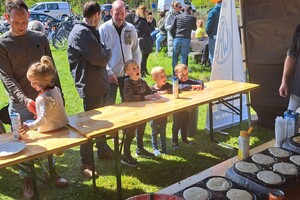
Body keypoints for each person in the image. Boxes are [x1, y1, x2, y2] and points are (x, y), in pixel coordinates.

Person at [0, 0, 67, 199]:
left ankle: (51, 171)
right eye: (16, 22)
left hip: (45, 98)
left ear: (29, 17)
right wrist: (26, 99)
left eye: (24, 21)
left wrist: (59, 95)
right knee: (21, 140)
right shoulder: (3, 44)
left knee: (48, 136)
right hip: (20, 103)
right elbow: (7, 78)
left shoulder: (41, 38)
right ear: (7, 18)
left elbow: (51, 70)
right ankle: (27, 178)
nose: (21, 26)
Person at [67, 1, 112, 179]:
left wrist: (104, 52)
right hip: (90, 85)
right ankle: (85, 162)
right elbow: (100, 58)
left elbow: (100, 55)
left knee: (99, 121)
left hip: (98, 83)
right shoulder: (82, 32)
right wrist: (107, 51)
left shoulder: (88, 31)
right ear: (97, 15)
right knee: (88, 126)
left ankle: (101, 149)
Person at [99, 0, 140, 105]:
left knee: (131, 104)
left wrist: (136, 70)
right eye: (117, 14)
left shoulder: (131, 28)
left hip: (128, 75)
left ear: (126, 13)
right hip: (111, 76)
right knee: (109, 106)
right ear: (111, 12)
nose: (120, 17)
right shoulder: (104, 29)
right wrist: (109, 72)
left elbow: (136, 51)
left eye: (122, 14)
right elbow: (100, 55)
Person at [122, 59, 161, 167]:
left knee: (141, 130)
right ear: (127, 72)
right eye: (133, 69)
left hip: (143, 112)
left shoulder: (142, 81)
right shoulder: (127, 82)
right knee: (130, 133)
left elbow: (149, 91)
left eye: (137, 67)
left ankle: (140, 149)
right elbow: (128, 97)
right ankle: (126, 155)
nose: (136, 70)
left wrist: (155, 94)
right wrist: (146, 97)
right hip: (132, 113)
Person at [20, 56, 68, 133]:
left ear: (46, 79)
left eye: (35, 82)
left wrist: (29, 126)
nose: (32, 85)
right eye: (30, 82)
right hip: (62, 126)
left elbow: (43, 119)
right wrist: (38, 108)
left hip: (51, 131)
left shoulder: (44, 98)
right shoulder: (56, 89)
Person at [172, 64, 204, 149]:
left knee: (185, 123)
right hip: (177, 107)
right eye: (182, 74)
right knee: (176, 125)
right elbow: (181, 87)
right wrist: (193, 86)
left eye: (186, 74)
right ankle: (174, 142)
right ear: (176, 74)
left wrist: (199, 86)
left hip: (186, 107)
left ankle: (184, 138)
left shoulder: (188, 80)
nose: (185, 76)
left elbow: (200, 82)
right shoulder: (175, 81)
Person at [150, 66, 172, 156]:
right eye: (161, 77)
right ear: (155, 79)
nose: (164, 78)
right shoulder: (152, 89)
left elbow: (174, 89)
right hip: (154, 115)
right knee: (154, 132)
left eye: (164, 75)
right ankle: (155, 148)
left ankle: (164, 149)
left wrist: (162, 92)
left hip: (163, 114)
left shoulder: (167, 86)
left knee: (163, 132)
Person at [279, 24, 300, 111]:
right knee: (290, 123)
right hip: (297, 90)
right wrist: (284, 80)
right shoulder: (299, 28)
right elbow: (291, 55)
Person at [170, 5, 196, 73]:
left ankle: (174, 74)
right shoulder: (192, 18)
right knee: (183, 58)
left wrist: (174, 37)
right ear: (190, 11)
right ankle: (182, 75)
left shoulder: (177, 17)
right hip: (186, 39)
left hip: (177, 38)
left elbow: (171, 29)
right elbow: (195, 28)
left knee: (175, 57)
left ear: (184, 10)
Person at [134, 5, 153, 77]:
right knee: (144, 57)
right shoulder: (141, 21)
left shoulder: (139, 20)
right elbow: (148, 31)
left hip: (144, 39)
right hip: (144, 40)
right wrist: (149, 23)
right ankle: (142, 72)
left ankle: (144, 70)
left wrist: (149, 23)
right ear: (143, 11)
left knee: (145, 56)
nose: (148, 13)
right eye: (147, 11)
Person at [206, 0, 222, 65]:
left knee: (213, 56)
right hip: (225, 37)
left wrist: (209, 34)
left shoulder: (212, 12)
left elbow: (208, 27)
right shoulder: (228, 12)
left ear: (216, 2)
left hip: (213, 37)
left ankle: (215, 74)